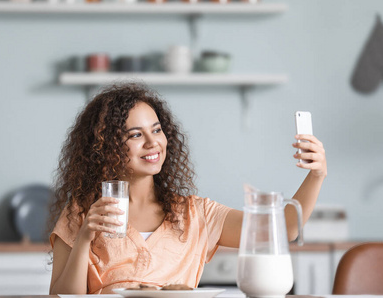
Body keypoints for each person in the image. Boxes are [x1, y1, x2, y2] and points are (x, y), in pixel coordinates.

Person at [48, 82, 327, 295]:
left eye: (156, 130)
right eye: (135, 135)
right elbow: (60, 297)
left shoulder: (197, 213)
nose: (152, 142)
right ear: (106, 148)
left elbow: (285, 228)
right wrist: (84, 237)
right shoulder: (82, 213)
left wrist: (316, 175)